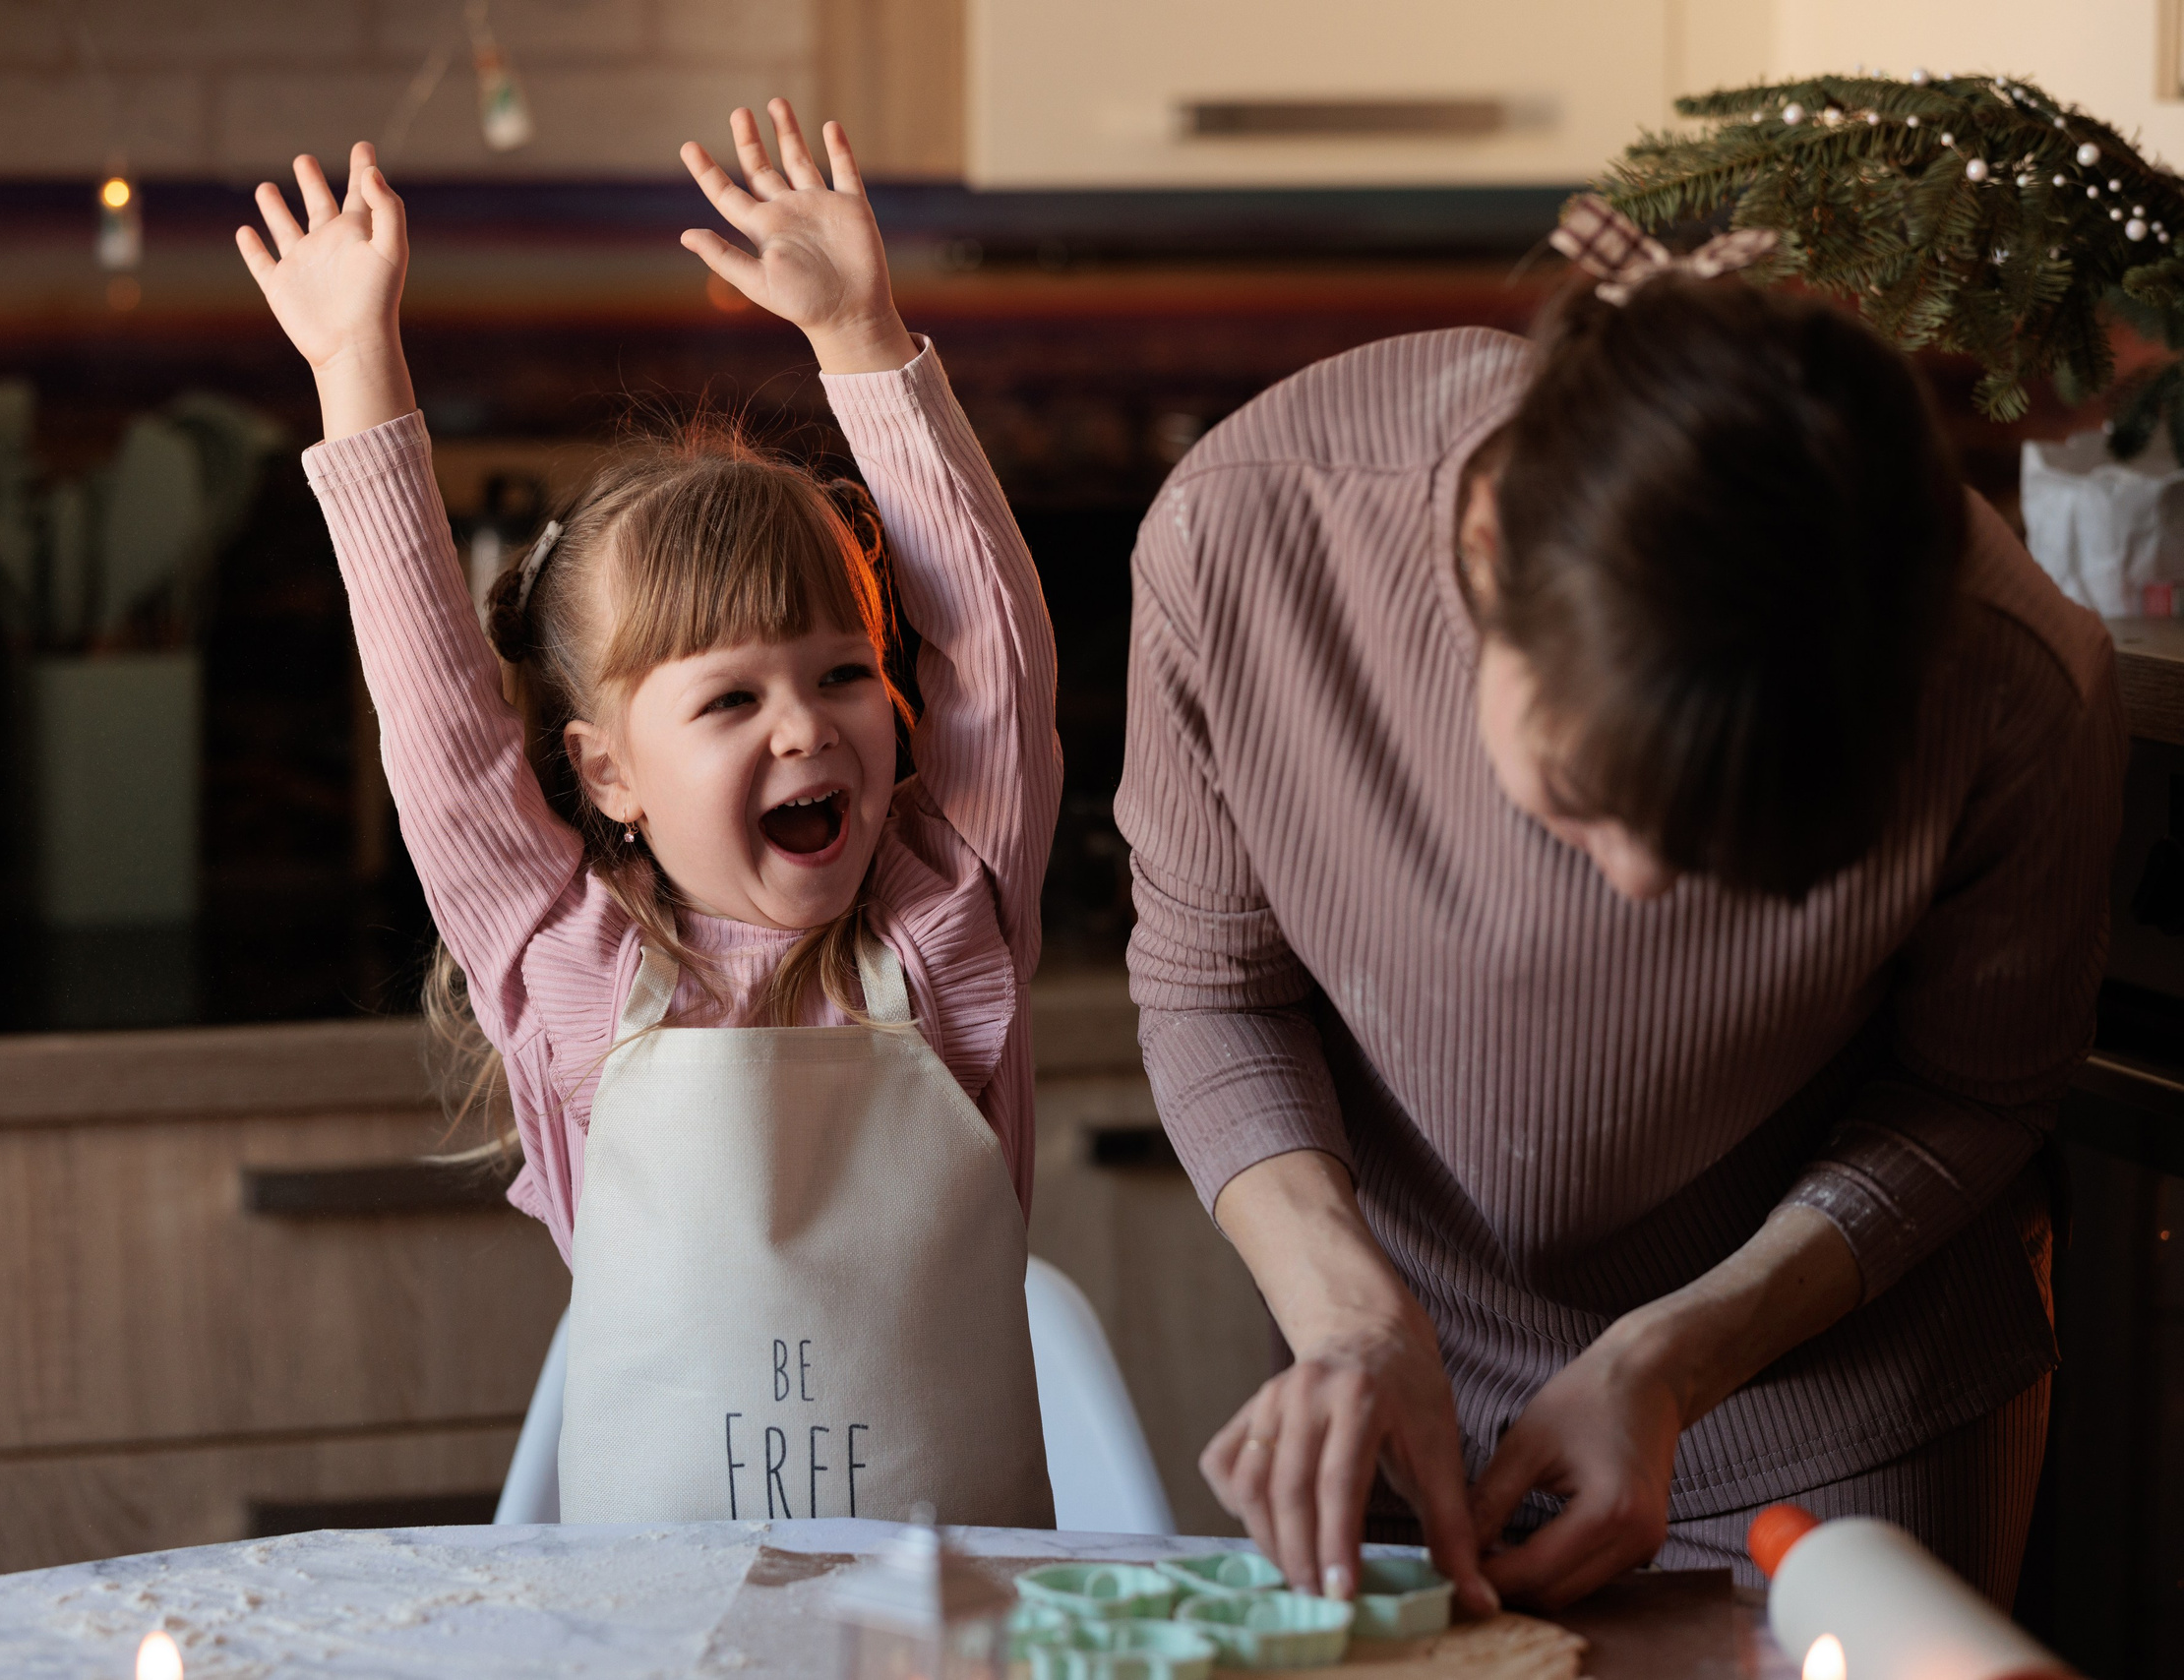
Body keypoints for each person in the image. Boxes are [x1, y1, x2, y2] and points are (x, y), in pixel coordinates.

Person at [1116, 222, 2123, 1612]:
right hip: (1401, 1394)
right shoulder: (1251, 538)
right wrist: (1348, 1321)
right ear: (1487, 553)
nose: (1646, 886)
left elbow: (1972, 1092)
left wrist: (1677, 1359)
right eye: (1581, 797)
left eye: (1738, 848)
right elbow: (1215, 989)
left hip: (1845, 1418)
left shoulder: (2011, 674)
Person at [236, 100, 1061, 1528]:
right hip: (648, 1624)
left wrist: (861, 337)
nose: (804, 726)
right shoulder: (566, 963)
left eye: (843, 673)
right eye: (730, 699)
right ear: (607, 773)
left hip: (953, 1619)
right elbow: (437, 720)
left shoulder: (946, 921)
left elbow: (995, 657)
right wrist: (355, 366)